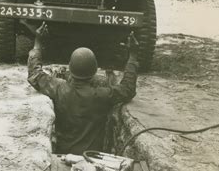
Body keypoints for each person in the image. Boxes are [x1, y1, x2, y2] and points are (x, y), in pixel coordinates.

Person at [27, 23, 139, 155]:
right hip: (93, 156)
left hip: (64, 154)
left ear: (71, 68)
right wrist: (133, 55)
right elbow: (127, 88)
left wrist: (38, 43)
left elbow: (35, 73)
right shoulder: (103, 95)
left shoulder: (58, 88)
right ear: (94, 71)